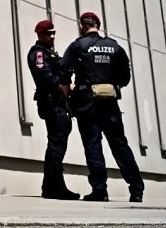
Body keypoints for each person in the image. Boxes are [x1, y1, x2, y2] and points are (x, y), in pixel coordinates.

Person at [60, 11, 145, 202]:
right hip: (110, 102)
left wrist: (70, 90)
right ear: (98, 25)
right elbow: (125, 78)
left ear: (82, 26)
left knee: (93, 145)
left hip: (86, 103)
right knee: (120, 145)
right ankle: (136, 189)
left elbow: (63, 72)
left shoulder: (78, 46)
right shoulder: (115, 47)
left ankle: (100, 190)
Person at [26, 19, 80, 200]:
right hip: (52, 103)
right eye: (49, 34)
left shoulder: (49, 52)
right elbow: (45, 77)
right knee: (56, 146)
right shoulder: (39, 54)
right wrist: (63, 86)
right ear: (40, 34)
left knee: (58, 145)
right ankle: (54, 187)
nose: (52, 36)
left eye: (54, 33)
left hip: (59, 103)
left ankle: (52, 185)